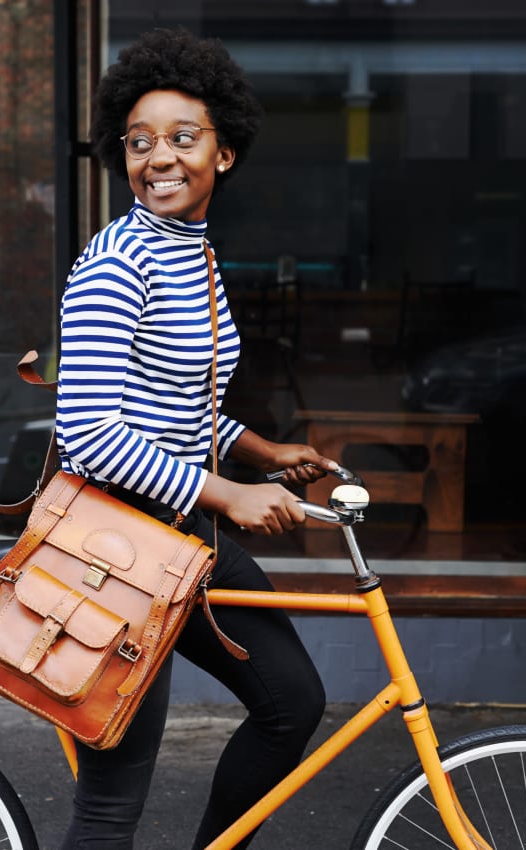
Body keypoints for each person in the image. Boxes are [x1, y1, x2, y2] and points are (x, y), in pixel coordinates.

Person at [54, 28, 335, 849]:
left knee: (292, 705)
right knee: (112, 801)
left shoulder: (193, 255)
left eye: (183, 137)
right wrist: (231, 493)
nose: (159, 159)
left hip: (187, 532)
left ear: (227, 153)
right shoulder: (118, 262)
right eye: (140, 143)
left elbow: (171, 404)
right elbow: (93, 435)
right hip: (115, 550)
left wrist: (262, 452)